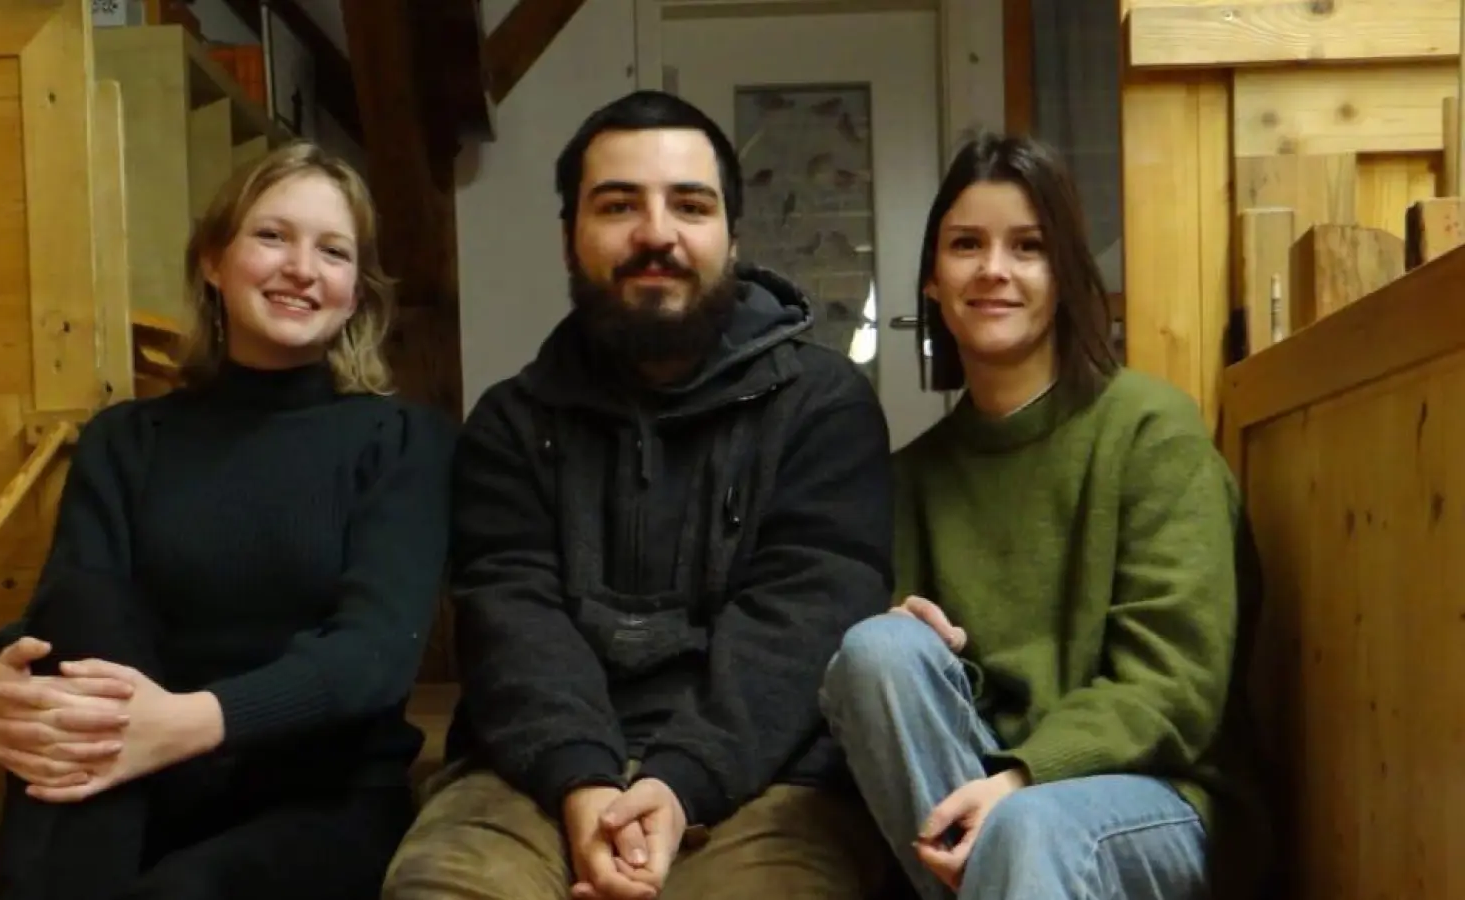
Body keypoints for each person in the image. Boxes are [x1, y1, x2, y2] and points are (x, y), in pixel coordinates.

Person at [382, 89, 894, 900]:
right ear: (567, 239)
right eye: (619, 205)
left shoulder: (824, 406)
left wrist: (680, 781)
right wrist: (585, 784)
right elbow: (513, 620)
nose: (656, 234)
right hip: (530, 778)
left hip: (770, 781)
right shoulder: (509, 422)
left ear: (731, 236)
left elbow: (807, 617)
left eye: (690, 205)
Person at [0, 140, 455, 900]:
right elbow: (66, 611)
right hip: (135, 786)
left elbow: (375, 655)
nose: (301, 268)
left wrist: (186, 724)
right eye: (271, 236)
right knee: (87, 608)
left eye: (333, 251)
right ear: (212, 262)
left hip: (319, 801)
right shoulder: (126, 439)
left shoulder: (401, 442)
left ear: (355, 293)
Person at [819, 133, 1268, 900]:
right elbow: (898, 714)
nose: (993, 269)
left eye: (1027, 247)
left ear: (1064, 274)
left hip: (1155, 799)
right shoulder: (908, 479)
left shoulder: (1150, 430)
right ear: (932, 279)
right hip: (974, 804)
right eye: (967, 245)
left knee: (1026, 827)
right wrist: (921, 643)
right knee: (875, 649)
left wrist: (1025, 777)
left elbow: (1177, 686)